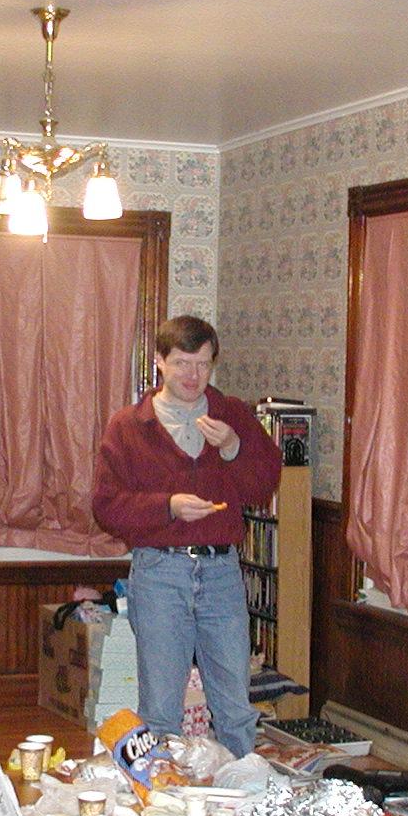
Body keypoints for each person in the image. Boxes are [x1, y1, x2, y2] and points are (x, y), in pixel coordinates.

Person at [92, 315, 282, 758]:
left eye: (203, 364)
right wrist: (168, 506)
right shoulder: (128, 425)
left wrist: (234, 448)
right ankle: (160, 793)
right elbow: (106, 506)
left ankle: (240, 789)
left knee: (235, 706)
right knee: (160, 709)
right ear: (159, 361)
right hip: (159, 571)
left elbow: (262, 486)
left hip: (222, 571)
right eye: (182, 363)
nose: (193, 375)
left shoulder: (232, 415)